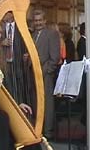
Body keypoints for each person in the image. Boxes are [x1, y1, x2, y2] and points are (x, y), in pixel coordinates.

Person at [0, 24, 40, 150]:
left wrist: (16, 104)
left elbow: (5, 86)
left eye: (0, 32)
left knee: (23, 118)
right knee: (2, 119)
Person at [32, 9, 60, 140]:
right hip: (31, 74)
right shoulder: (31, 35)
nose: (37, 23)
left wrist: (44, 72)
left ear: (44, 20)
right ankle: (37, 130)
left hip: (45, 75)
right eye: (35, 20)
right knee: (36, 102)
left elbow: (55, 58)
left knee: (47, 104)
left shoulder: (52, 34)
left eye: (39, 20)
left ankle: (47, 132)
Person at [1, 11, 27, 104]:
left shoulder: (22, 27)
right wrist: (2, 43)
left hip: (18, 64)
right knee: (7, 88)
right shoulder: (0, 27)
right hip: (4, 63)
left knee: (18, 89)